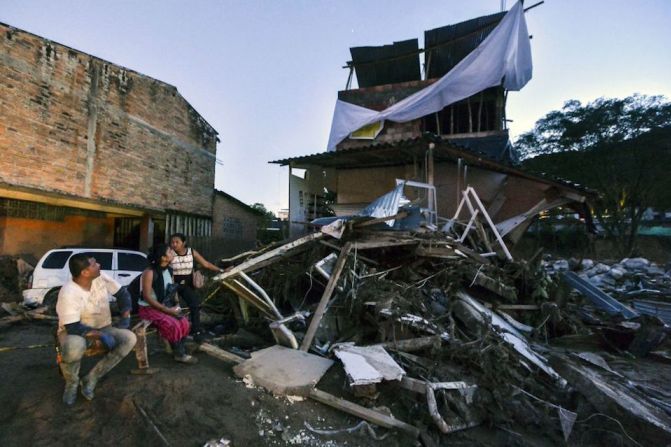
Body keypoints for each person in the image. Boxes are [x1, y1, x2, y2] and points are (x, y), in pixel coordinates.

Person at [56, 254, 137, 406]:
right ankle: (72, 383)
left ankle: (91, 378)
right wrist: (100, 335)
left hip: (103, 326)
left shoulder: (99, 277)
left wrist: (125, 314)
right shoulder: (68, 292)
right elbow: (73, 327)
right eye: (94, 264)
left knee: (129, 338)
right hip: (74, 331)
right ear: (85, 272)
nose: (99, 265)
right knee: (74, 346)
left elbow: (122, 294)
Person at [138, 244, 197, 365]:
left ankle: (178, 349)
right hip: (149, 308)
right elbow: (147, 297)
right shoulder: (149, 273)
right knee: (173, 324)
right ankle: (179, 354)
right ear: (163, 258)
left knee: (185, 322)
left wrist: (177, 305)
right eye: (170, 251)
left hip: (165, 306)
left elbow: (172, 290)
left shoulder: (169, 270)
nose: (173, 252)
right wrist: (167, 310)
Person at [169, 233, 224, 341]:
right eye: (172, 242)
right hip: (172, 286)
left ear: (183, 243)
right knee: (173, 309)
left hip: (187, 286)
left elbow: (206, 264)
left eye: (177, 242)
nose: (174, 244)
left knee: (195, 305)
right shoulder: (170, 253)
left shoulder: (191, 252)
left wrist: (221, 270)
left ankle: (196, 331)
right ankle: (173, 333)